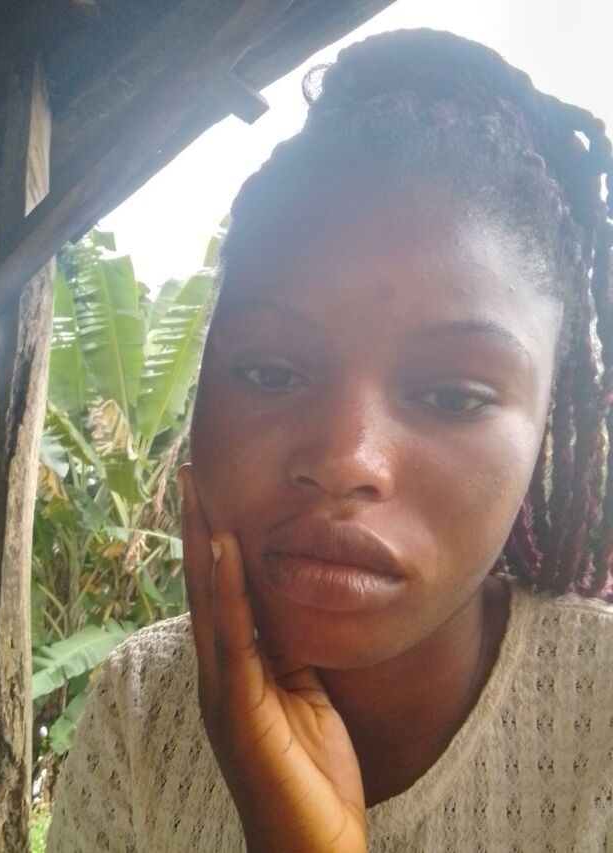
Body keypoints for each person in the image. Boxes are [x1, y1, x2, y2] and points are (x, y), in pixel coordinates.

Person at [47, 28, 613, 852]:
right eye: (271, 372)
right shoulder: (141, 707)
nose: (347, 458)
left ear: (544, 429)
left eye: (451, 395)